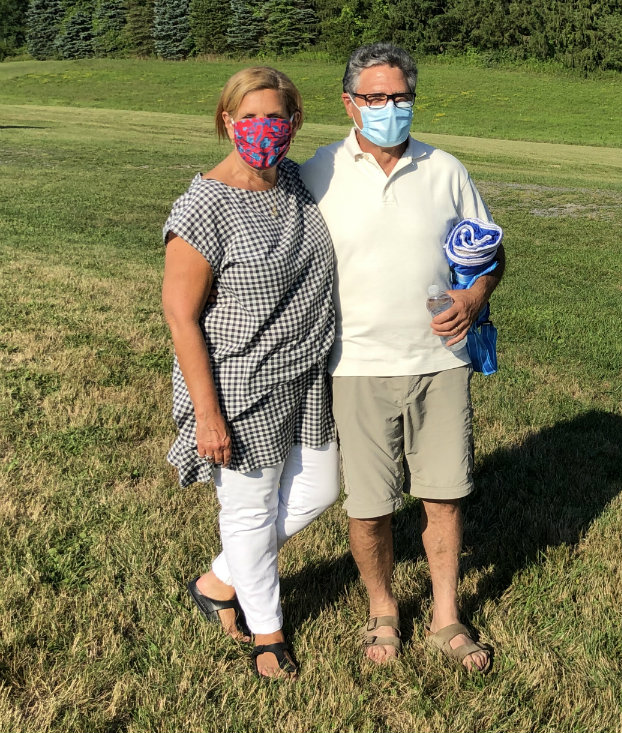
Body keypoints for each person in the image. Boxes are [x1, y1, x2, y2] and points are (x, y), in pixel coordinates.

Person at [300, 43, 502, 673]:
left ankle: (446, 618)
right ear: (349, 103)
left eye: (401, 97)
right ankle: (383, 612)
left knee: (444, 497)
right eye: (375, 98)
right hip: (353, 365)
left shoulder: (446, 170)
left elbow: (490, 254)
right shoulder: (317, 173)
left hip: (439, 363)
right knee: (369, 505)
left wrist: (472, 298)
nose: (389, 109)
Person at [162, 66, 339, 679]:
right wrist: (207, 415)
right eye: (252, 118)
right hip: (239, 385)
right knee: (249, 510)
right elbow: (182, 319)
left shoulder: (293, 182)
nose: (266, 130)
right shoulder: (203, 206)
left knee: (320, 489)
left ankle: (218, 581)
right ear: (227, 121)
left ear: (293, 125)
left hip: (305, 373)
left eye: (278, 119)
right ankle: (268, 634)